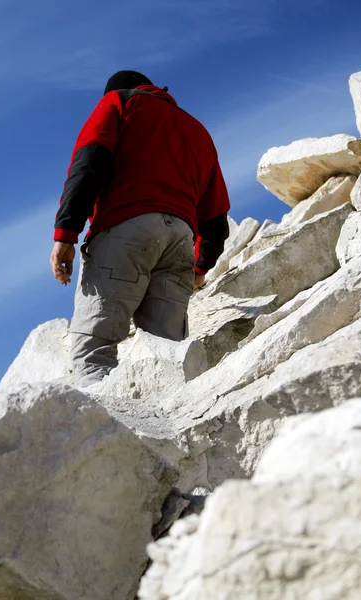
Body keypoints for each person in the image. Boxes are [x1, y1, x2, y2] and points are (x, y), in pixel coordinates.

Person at [50, 70, 230, 387]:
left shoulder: (118, 102)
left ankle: (108, 430)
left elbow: (89, 162)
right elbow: (215, 217)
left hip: (125, 228)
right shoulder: (198, 131)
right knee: (166, 358)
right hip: (180, 240)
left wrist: (66, 234)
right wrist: (200, 266)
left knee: (94, 351)